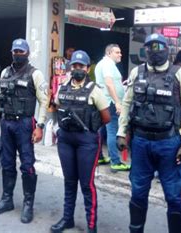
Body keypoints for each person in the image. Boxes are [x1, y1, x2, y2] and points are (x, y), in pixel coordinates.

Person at [116, 33, 181, 233]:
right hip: (140, 143)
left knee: (173, 196)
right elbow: (127, 104)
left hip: (169, 144)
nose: (154, 51)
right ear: (145, 50)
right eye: (150, 47)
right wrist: (121, 132)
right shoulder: (137, 72)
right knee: (138, 193)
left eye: (159, 46)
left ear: (166, 48)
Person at [0, 38, 49, 224]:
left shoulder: (35, 74)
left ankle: (28, 204)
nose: (18, 54)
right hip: (6, 123)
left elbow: (44, 101)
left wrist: (40, 126)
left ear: (27, 53)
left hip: (24, 124)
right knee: (6, 162)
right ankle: (7, 200)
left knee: (27, 165)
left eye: (21, 52)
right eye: (15, 51)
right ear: (12, 52)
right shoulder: (5, 72)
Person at [50, 50, 111, 233]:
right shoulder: (63, 87)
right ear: (71, 67)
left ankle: (91, 225)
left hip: (87, 141)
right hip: (66, 139)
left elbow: (106, 117)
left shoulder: (95, 90)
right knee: (69, 181)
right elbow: (56, 106)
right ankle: (67, 219)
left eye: (81, 66)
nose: (77, 69)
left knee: (86, 184)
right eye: (75, 66)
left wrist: (91, 127)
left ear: (87, 68)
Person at [94, 44, 130, 172]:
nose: (120, 54)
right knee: (112, 131)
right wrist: (117, 102)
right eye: (117, 52)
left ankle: (99, 157)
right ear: (109, 53)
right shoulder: (108, 64)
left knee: (101, 131)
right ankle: (115, 161)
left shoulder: (102, 63)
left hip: (103, 101)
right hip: (110, 102)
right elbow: (109, 83)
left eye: (120, 52)